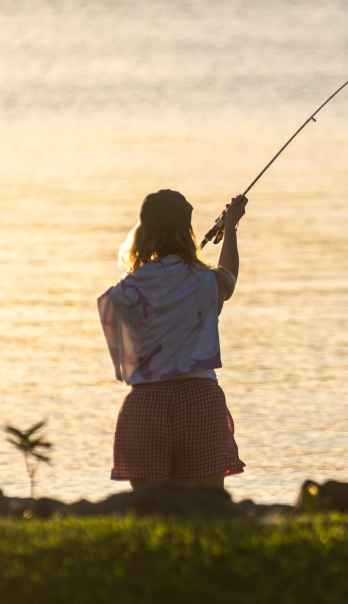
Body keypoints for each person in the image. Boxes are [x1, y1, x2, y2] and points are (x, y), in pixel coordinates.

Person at [98, 189, 247, 489]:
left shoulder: (119, 295)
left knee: (150, 514)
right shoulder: (209, 282)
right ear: (188, 231)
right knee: (207, 510)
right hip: (200, 401)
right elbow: (228, 273)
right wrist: (229, 227)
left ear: (142, 233)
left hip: (144, 404)